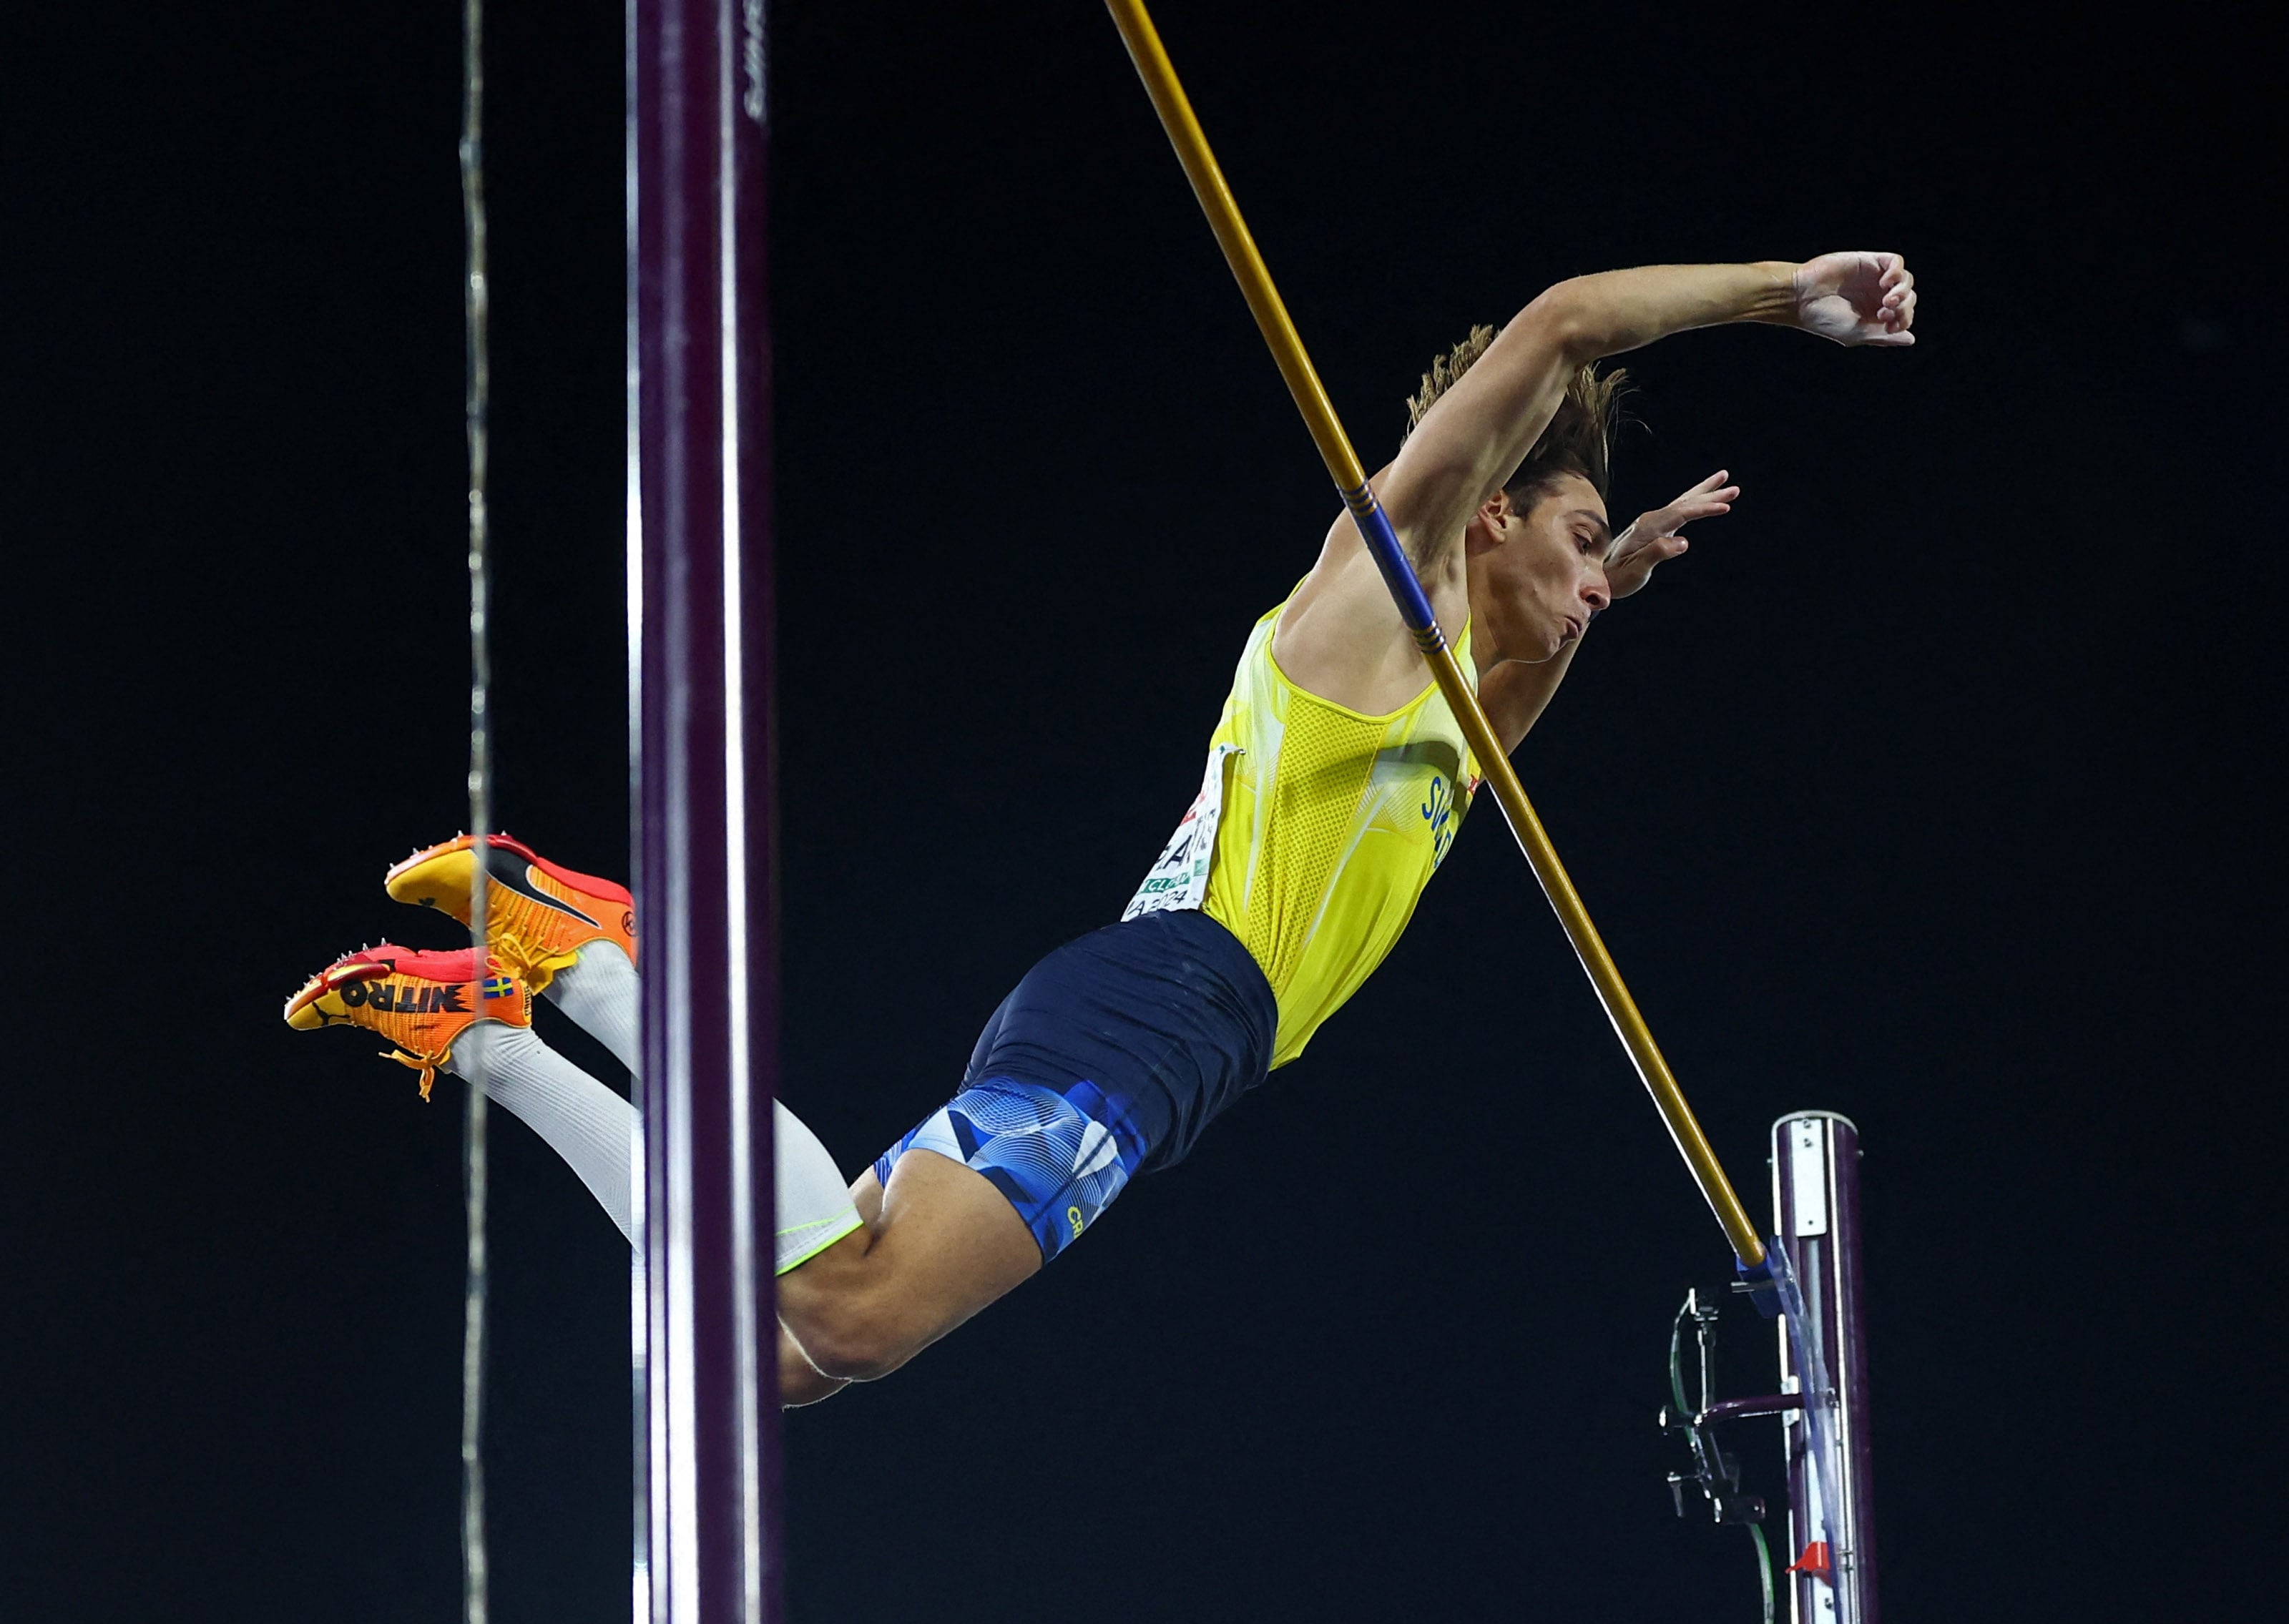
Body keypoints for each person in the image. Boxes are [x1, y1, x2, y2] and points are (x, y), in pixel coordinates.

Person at [286, 252, 1917, 1406]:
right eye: (1569, 534)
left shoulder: (1437, 729)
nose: (1583, 576)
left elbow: (1524, 677)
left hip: (1166, 1033)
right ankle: (605, 973)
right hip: (1163, 1009)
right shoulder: (1364, 607)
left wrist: (1600, 587)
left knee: (772, 1365)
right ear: (1483, 510)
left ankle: (496, 1035)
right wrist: (1786, 296)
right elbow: (1564, 319)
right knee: (844, 1316)